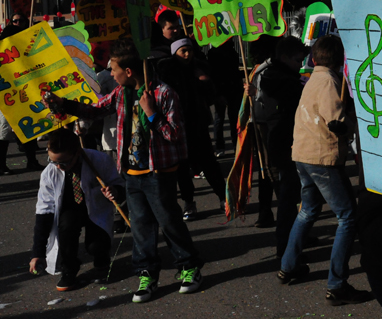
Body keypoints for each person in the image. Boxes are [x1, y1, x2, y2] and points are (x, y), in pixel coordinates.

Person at [44, 38, 204, 303]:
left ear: (128, 72)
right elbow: (95, 110)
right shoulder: (121, 93)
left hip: (159, 172)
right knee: (140, 227)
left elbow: (175, 134)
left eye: (114, 69)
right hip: (132, 173)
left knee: (169, 222)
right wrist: (65, 104)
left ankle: (189, 267)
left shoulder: (164, 94)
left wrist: (152, 114)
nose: (111, 74)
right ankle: (147, 274)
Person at [277, 35, 370, 305]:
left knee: (308, 210)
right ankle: (337, 285)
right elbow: (335, 121)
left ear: (314, 58)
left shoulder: (313, 79)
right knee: (347, 217)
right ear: (341, 59)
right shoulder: (329, 82)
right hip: (321, 157)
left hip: (303, 155)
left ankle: (288, 266)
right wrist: (354, 124)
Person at [29, 129, 124, 291]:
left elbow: (120, 185)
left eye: (64, 162)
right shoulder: (49, 173)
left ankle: (101, 258)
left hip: (96, 208)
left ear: (78, 152)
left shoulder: (100, 160)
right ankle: (69, 269)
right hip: (70, 209)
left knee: (96, 246)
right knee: (66, 230)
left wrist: (115, 190)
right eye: (53, 161)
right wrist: (38, 253)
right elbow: (44, 213)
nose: (59, 167)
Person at [244, 36, 306, 252]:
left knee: (294, 196)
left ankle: (295, 238)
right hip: (284, 142)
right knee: (288, 196)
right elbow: (279, 111)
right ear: (284, 57)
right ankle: (287, 246)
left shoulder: (279, 76)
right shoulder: (278, 78)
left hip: (284, 141)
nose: (300, 65)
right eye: (298, 60)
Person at [159, 37, 227, 220]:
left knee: (209, 163)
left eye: (189, 50)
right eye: (183, 51)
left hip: (198, 123)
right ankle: (188, 202)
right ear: (175, 53)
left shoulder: (199, 68)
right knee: (182, 168)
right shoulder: (167, 71)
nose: (187, 54)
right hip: (177, 125)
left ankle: (224, 197)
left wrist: (205, 82)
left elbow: (211, 97)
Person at [0, 15, 43, 172]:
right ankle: (1, 165)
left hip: (24, 95)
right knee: (4, 132)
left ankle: (32, 161)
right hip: (6, 98)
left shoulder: (24, 50)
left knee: (28, 128)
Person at [208, 40, 244, 158]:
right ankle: (221, 146)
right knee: (220, 118)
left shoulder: (232, 51)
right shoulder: (214, 53)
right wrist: (218, 93)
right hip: (222, 89)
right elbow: (214, 74)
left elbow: (234, 71)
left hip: (233, 89)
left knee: (232, 119)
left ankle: (234, 144)